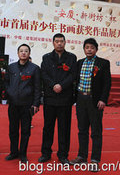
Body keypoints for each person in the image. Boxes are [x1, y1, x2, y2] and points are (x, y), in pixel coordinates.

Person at [70, 38, 111, 172]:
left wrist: (103, 99)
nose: (89, 50)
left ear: (96, 49)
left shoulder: (103, 63)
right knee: (82, 130)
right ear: (84, 49)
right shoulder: (79, 63)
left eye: (92, 48)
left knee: (96, 132)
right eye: (87, 47)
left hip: (95, 101)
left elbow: (107, 83)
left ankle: (95, 160)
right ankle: (82, 156)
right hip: (81, 100)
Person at [38, 33, 77, 164]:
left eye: (61, 41)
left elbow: (72, 75)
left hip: (65, 98)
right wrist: (53, 85)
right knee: (48, 127)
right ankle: (46, 153)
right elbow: (43, 74)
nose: (59, 43)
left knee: (64, 128)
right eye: (57, 41)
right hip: (50, 97)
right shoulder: (47, 57)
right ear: (53, 43)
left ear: (65, 43)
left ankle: (63, 154)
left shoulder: (71, 58)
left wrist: (62, 85)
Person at [4, 44, 41, 163]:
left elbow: (37, 88)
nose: (23, 53)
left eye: (26, 51)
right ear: (18, 53)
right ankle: (13, 152)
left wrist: (36, 104)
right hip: (14, 104)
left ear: (29, 53)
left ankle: (23, 154)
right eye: (21, 51)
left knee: (25, 131)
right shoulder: (11, 67)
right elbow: (6, 83)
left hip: (27, 105)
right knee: (13, 130)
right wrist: (10, 93)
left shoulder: (34, 68)